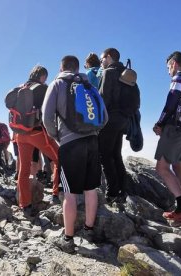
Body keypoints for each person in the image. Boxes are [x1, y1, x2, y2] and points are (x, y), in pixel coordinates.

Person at [42, 55, 106, 253]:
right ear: (77, 68)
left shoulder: (58, 84)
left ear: (61, 67)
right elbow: (105, 116)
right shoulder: (89, 85)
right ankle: (88, 230)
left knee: (69, 192)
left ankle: (68, 239)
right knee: (91, 188)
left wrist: (58, 136)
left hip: (70, 143)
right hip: (92, 141)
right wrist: (93, 132)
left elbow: (46, 116)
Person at [153, 51, 181, 227]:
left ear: (173, 63)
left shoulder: (179, 78)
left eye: (168, 67)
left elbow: (171, 101)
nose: (168, 71)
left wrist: (161, 122)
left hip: (174, 128)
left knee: (162, 167)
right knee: (179, 166)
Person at [8, 65, 60, 215]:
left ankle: (25, 204)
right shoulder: (42, 88)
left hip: (19, 134)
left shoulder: (19, 87)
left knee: (24, 170)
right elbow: (48, 112)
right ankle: (56, 194)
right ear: (42, 76)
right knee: (59, 158)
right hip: (37, 133)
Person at [98, 48, 131, 203]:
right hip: (123, 120)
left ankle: (112, 192)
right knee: (116, 155)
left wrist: (98, 122)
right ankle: (123, 191)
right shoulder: (126, 72)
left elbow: (103, 99)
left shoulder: (109, 72)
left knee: (105, 155)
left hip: (109, 120)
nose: (101, 62)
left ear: (109, 57)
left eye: (102, 59)